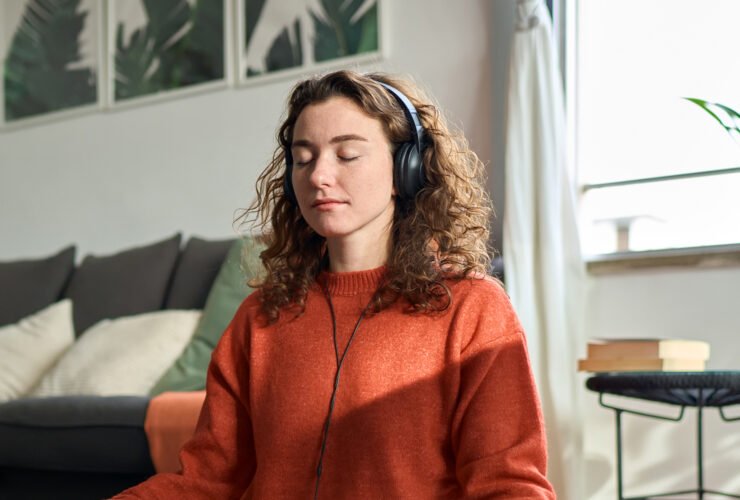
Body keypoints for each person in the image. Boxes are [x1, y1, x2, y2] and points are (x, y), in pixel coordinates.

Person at [114, 70, 555, 499]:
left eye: (346, 155)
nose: (318, 176)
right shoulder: (259, 318)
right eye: (303, 159)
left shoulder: (472, 309)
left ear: (407, 169)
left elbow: (509, 486)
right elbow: (206, 481)